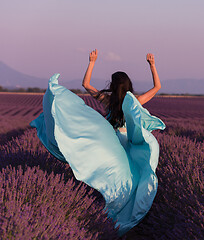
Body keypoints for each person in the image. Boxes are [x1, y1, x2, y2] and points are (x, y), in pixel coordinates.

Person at [30, 50, 166, 236]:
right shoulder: (135, 102)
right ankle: (121, 220)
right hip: (127, 147)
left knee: (104, 177)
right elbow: (157, 86)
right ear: (128, 85)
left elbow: (85, 84)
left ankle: (97, 213)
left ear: (112, 85)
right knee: (132, 183)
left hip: (110, 145)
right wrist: (152, 65)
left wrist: (92, 62)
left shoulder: (108, 100)